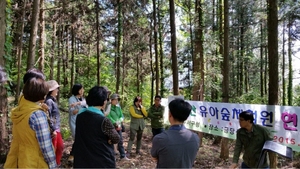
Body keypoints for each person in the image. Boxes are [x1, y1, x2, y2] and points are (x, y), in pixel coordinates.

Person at [4, 78, 57, 168]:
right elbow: (45, 146)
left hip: (17, 159)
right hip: (33, 162)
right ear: (41, 95)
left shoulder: (20, 109)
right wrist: (53, 165)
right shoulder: (38, 114)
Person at [73, 86, 120, 168]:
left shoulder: (80, 116)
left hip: (82, 161)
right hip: (101, 161)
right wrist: (109, 140)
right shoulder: (103, 120)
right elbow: (116, 138)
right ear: (104, 102)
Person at [151, 98, 200, 168]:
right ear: (186, 117)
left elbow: (154, 157)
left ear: (170, 114)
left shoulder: (160, 139)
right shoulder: (195, 138)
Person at [45, 80, 64, 167]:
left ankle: (57, 164)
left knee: (60, 147)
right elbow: (48, 116)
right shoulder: (49, 101)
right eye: (56, 89)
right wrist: (52, 129)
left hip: (56, 128)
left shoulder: (53, 100)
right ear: (52, 90)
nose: (57, 90)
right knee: (54, 148)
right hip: (53, 130)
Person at [107, 93, 130, 161]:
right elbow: (108, 116)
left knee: (120, 140)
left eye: (117, 100)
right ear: (112, 100)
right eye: (115, 100)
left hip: (118, 126)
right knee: (111, 141)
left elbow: (121, 116)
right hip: (111, 126)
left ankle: (123, 156)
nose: (117, 101)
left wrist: (119, 121)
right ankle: (112, 157)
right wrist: (114, 122)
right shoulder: (108, 107)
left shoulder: (118, 107)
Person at [67, 84, 87, 162]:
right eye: (80, 89)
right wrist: (83, 110)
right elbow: (73, 112)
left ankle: (77, 155)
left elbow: (86, 105)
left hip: (83, 122)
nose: (82, 91)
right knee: (78, 138)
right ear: (76, 90)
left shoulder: (82, 99)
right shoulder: (72, 99)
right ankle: (72, 155)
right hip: (74, 121)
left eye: (83, 89)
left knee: (81, 139)